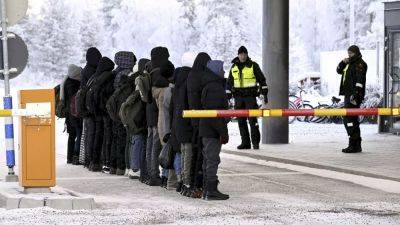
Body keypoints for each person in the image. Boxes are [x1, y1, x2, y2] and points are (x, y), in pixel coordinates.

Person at [226, 46, 268, 150]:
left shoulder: (253, 65)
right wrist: (227, 95)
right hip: (238, 98)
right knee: (241, 121)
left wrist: (264, 93)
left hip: (250, 97)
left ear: (247, 54)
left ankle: (255, 143)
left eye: (244, 54)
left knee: (252, 120)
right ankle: (245, 143)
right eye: (241, 54)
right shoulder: (234, 67)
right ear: (238, 55)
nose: (242, 56)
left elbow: (262, 80)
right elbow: (229, 83)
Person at [200, 60, 230, 200]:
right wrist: (223, 133)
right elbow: (216, 115)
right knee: (212, 159)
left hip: (207, 129)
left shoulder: (209, 86)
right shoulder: (215, 88)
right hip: (212, 130)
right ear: (216, 71)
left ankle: (208, 189)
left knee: (208, 159)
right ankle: (211, 190)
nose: (224, 72)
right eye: (222, 69)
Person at [108, 51, 137, 175]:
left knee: (115, 139)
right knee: (123, 140)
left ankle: (113, 165)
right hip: (123, 112)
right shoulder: (127, 74)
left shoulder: (115, 73)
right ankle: (121, 166)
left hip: (114, 111)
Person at [187, 52, 211, 198]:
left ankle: (192, 183)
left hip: (192, 118)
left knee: (194, 153)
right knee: (201, 155)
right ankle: (198, 184)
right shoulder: (202, 78)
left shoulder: (190, 76)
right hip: (202, 118)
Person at [172, 52, 196, 196]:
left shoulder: (177, 80)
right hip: (187, 120)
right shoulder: (190, 80)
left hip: (178, 120)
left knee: (181, 151)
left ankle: (180, 180)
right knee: (188, 152)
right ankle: (186, 182)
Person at [336, 45, 367, 153]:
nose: (349, 55)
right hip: (348, 95)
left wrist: (356, 95)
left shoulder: (360, 64)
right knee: (351, 119)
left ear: (357, 53)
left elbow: (360, 80)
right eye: (348, 53)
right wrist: (343, 62)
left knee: (349, 119)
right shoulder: (348, 64)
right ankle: (355, 144)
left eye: (351, 53)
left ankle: (354, 144)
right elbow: (339, 71)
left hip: (354, 96)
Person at [86, 57, 115, 171]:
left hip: (94, 111)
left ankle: (93, 162)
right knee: (104, 137)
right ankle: (103, 162)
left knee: (95, 137)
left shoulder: (94, 77)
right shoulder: (108, 76)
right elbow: (108, 92)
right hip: (104, 112)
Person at [79, 47, 102, 168]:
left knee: (88, 134)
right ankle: (90, 160)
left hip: (85, 106)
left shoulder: (85, 69)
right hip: (91, 106)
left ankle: (87, 159)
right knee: (92, 134)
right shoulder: (93, 71)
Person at [62, 64, 82, 165]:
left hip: (68, 114)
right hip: (75, 114)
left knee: (71, 136)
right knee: (78, 133)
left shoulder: (65, 82)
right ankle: (75, 156)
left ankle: (69, 158)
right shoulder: (74, 84)